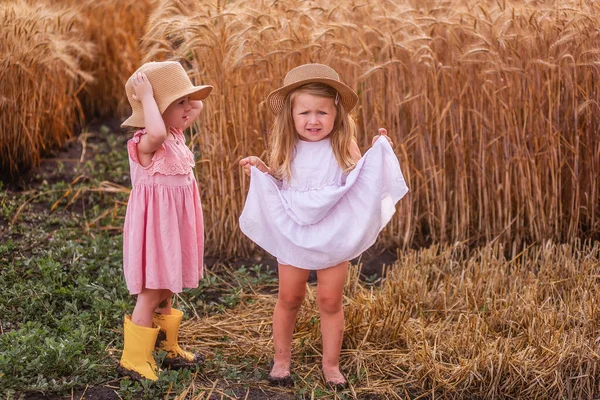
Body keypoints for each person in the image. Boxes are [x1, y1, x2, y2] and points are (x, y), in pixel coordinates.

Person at [238, 63, 409, 389]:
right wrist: (262, 169)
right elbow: (279, 181)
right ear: (291, 115)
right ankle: (281, 360)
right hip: (294, 231)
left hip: (333, 232)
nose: (313, 120)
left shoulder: (343, 145)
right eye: (304, 113)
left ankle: (331, 365)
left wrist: (378, 152)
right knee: (290, 296)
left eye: (322, 112)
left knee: (330, 300)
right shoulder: (288, 146)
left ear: (336, 114)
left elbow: (362, 181)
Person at [117, 61, 213, 381]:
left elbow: (198, 103)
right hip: (155, 229)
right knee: (152, 288)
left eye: (187, 101)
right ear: (155, 110)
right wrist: (146, 95)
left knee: (167, 287)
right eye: (179, 103)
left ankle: (165, 347)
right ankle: (133, 359)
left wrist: (184, 93)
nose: (188, 108)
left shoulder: (175, 134)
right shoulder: (148, 142)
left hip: (173, 226)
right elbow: (157, 127)